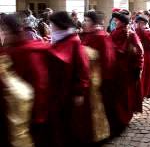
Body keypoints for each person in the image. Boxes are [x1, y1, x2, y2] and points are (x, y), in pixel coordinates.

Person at [0, 14, 50, 147]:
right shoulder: (9, 51)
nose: (3, 34)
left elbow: (39, 83)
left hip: (27, 113)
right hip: (16, 113)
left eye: (5, 30)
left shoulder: (27, 52)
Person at [47, 11, 92, 146]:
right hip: (57, 90)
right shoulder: (57, 38)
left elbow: (83, 68)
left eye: (52, 24)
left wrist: (79, 91)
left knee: (70, 124)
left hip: (69, 90)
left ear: (59, 25)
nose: (51, 27)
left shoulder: (73, 40)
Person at [80, 11, 116, 143]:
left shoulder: (101, 36)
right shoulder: (88, 35)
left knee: (98, 107)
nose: (84, 23)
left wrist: (104, 79)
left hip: (97, 78)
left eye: (87, 20)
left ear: (94, 23)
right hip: (88, 76)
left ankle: (101, 133)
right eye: (84, 20)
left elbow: (108, 60)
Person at [110, 9, 144, 138]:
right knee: (117, 95)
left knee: (126, 96)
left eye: (117, 20)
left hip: (127, 71)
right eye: (115, 20)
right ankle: (118, 118)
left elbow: (139, 52)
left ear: (122, 22)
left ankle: (125, 118)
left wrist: (138, 68)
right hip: (115, 70)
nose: (114, 22)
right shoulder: (113, 33)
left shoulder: (131, 35)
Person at [135, 15, 150, 97]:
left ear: (145, 24)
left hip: (146, 55)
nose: (139, 25)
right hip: (137, 55)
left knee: (146, 75)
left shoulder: (149, 32)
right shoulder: (134, 31)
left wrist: (142, 31)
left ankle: (145, 92)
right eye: (138, 23)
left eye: (141, 23)